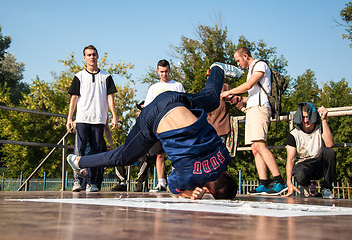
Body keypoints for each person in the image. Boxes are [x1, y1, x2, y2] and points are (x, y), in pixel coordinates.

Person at [67, 62, 242, 200]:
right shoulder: (189, 178)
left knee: (212, 100)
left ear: (226, 172)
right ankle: (80, 161)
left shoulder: (223, 155)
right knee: (123, 156)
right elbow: (173, 188)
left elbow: (212, 143)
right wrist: (188, 193)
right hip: (153, 118)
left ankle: (217, 69)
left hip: (175, 99)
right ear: (210, 191)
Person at [221, 47, 287, 195]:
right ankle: (263, 183)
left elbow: (249, 86)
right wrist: (237, 99)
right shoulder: (251, 70)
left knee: (260, 145)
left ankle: (280, 182)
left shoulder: (260, 65)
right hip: (252, 109)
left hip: (260, 108)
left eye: (238, 60)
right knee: (254, 148)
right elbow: (250, 95)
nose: (238, 64)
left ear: (245, 56)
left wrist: (229, 91)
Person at [66, 45, 118, 192]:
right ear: (84, 57)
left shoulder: (106, 76)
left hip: (98, 119)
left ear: (97, 56)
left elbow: (110, 98)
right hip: (82, 118)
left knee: (96, 153)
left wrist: (114, 116)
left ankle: (91, 183)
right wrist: (70, 118)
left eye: (94, 54)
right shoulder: (79, 76)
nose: (92, 57)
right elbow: (74, 98)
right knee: (80, 151)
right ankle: (77, 181)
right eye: (88, 55)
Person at [144, 59, 185, 192]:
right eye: (161, 72)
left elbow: (184, 103)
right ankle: (161, 183)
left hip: (174, 124)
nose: (164, 74)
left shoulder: (177, 85)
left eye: (166, 71)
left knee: (176, 154)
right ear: (158, 72)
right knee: (159, 155)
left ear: (169, 71)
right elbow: (148, 108)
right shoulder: (153, 88)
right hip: (158, 125)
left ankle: (177, 182)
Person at [285, 102, 336, 199]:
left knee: (330, 152)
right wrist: (289, 183)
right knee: (300, 173)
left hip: (318, 163)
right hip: (303, 165)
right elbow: (290, 159)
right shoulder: (294, 134)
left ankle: (327, 188)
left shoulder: (320, 128)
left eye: (308, 117)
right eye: (303, 117)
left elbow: (330, 144)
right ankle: (305, 187)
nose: (306, 120)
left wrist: (324, 120)